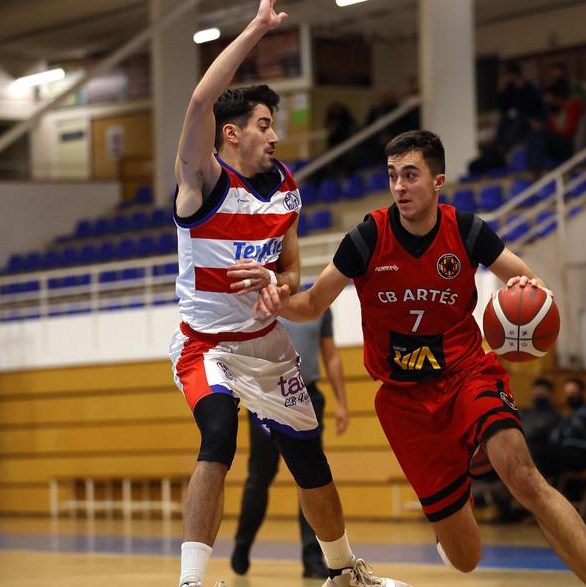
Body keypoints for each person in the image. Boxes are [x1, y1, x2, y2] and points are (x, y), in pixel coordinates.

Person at [254, 130, 586, 587]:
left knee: (524, 476)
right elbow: (311, 304)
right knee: (466, 559)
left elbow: (531, 281)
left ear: (438, 181)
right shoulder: (367, 238)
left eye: (410, 175)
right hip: (404, 402)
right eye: (393, 175)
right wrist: (276, 302)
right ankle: (464, 467)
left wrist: (530, 291)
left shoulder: (466, 230)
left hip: (467, 375)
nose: (399, 186)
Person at [168, 2, 410, 586]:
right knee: (219, 438)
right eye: (263, 124)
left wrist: (278, 285)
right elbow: (200, 102)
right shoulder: (202, 180)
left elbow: (295, 270)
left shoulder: (284, 188)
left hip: (267, 344)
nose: (275, 135)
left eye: (274, 124)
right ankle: (191, 581)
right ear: (231, 133)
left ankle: (344, 572)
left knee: (309, 458)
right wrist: (257, 28)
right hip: (207, 346)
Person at [231, 309, 349, 579]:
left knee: (311, 477)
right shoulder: (260, 303)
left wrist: (342, 402)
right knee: (260, 475)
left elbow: (330, 354)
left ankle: (312, 556)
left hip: (306, 397)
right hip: (265, 397)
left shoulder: (319, 306)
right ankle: (243, 543)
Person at [485, 377, 562, 523]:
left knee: (523, 461)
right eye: (536, 390)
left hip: (537, 457)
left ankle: (502, 490)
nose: (538, 394)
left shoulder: (555, 417)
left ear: (550, 393)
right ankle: (499, 501)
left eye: (542, 391)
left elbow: (544, 438)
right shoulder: (525, 413)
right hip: (516, 451)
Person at [533, 377, 586, 501]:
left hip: (583, 455)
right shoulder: (569, 416)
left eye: (573, 392)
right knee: (543, 462)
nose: (570, 396)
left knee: (538, 453)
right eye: (568, 393)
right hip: (568, 453)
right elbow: (555, 436)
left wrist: (561, 432)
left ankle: (546, 498)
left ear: (583, 393)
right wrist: (561, 432)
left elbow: (571, 430)